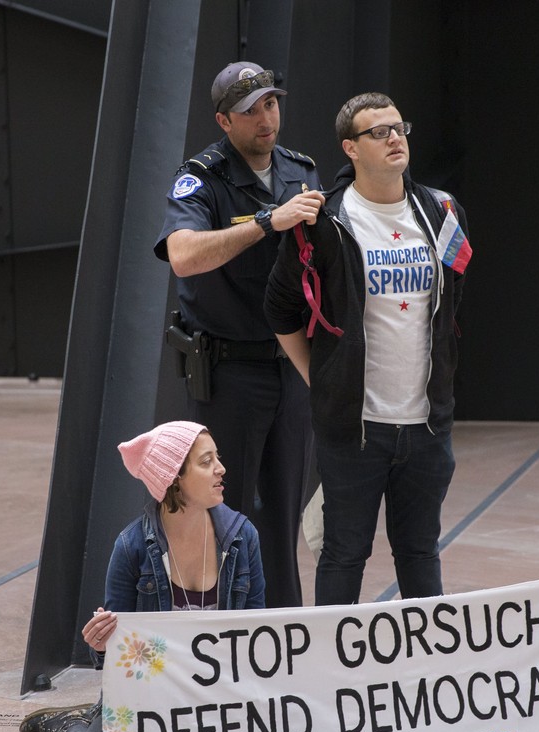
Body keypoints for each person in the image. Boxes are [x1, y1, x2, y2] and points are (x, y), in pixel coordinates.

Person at [264, 92, 472, 605]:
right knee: (343, 555)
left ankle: (427, 672)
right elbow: (279, 309)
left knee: (421, 553)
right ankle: (336, 682)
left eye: (399, 127)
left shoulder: (442, 212)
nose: (395, 138)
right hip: (353, 430)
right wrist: (323, 379)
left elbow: (451, 300)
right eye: (378, 132)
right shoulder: (326, 222)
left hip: (426, 425)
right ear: (350, 148)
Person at [154, 62, 324, 608]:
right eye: (250, 111)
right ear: (225, 120)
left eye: (271, 104)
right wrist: (264, 222)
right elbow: (181, 255)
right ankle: (224, 629)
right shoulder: (202, 178)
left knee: (283, 511)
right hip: (230, 374)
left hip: (290, 367)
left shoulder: (302, 172)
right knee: (224, 514)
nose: (265, 118)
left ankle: (284, 633)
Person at [18, 421, 265, 732]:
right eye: (206, 461)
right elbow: (115, 658)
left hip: (220, 693)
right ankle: (72, 727)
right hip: (149, 694)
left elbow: (259, 631)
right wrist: (102, 644)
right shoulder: (132, 546)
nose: (221, 469)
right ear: (174, 478)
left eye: (218, 458)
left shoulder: (243, 538)